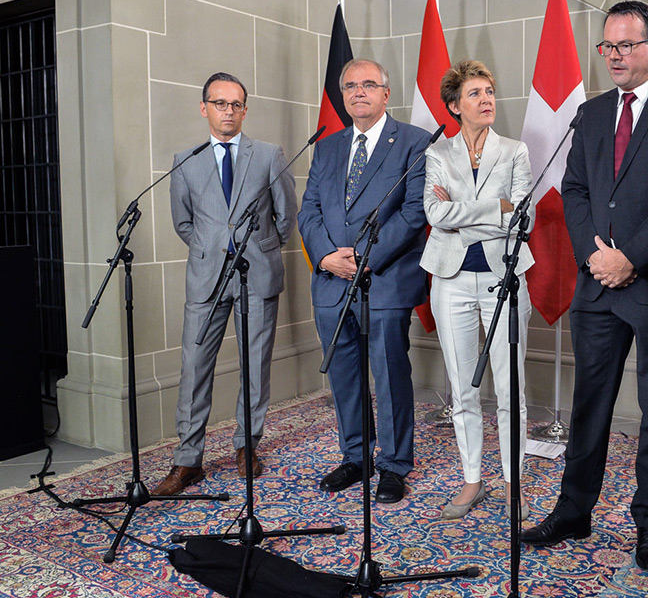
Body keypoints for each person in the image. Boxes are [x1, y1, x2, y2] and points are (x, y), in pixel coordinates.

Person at [520, 0, 648, 571]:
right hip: (597, 284)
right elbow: (575, 190)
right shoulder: (592, 111)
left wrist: (630, 258)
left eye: (627, 45)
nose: (614, 56)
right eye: (608, 46)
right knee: (589, 405)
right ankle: (573, 510)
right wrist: (594, 256)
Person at [154, 72, 297, 496]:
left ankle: (246, 446)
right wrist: (212, 250)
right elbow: (184, 223)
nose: (228, 111)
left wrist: (260, 248)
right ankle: (187, 460)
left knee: (255, 365)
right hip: (206, 278)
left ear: (244, 110)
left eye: (236, 104)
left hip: (257, 274)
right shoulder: (186, 160)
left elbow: (286, 217)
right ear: (205, 108)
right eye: (219, 103)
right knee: (194, 367)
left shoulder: (269, 155)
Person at [298, 59, 431, 504]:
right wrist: (324, 257)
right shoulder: (327, 147)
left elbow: (415, 211)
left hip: (385, 279)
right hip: (331, 280)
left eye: (369, 84)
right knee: (344, 374)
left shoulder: (414, 141)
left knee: (389, 374)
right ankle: (356, 456)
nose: (359, 92)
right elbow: (309, 209)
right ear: (343, 95)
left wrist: (365, 258)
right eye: (351, 85)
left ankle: (394, 464)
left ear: (386, 94)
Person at [420, 60, 534, 520]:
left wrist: (461, 211)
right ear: (454, 106)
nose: (487, 100)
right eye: (475, 94)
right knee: (463, 388)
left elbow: (521, 218)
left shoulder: (515, 151)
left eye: (489, 91)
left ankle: (512, 482)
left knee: (509, 389)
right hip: (449, 281)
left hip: (503, 278)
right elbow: (434, 214)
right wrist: (493, 208)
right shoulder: (437, 154)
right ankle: (472, 480)